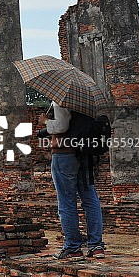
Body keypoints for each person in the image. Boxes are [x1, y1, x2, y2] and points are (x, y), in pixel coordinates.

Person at [38, 101, 105, 260]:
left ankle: (73, 247)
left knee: (66, 200)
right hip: (84, 152)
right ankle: (96, 246)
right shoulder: (87, 99)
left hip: (65, 154)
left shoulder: (62, 99)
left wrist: (45, 121)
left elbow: (61, 126)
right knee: (90, 197)